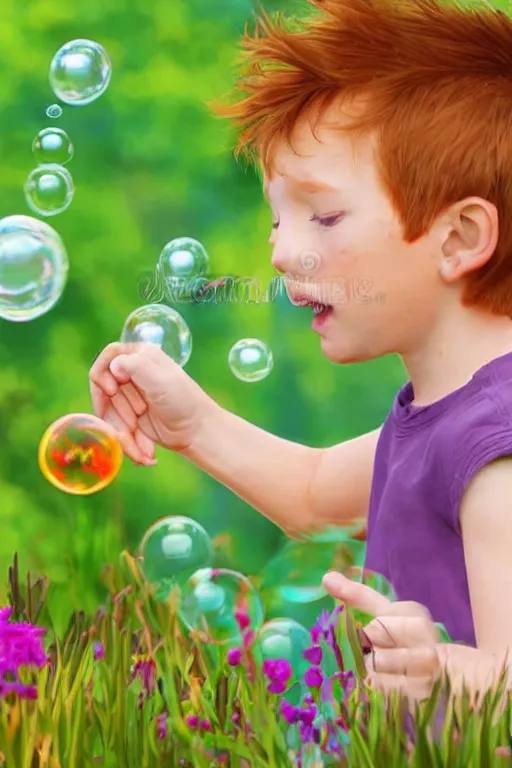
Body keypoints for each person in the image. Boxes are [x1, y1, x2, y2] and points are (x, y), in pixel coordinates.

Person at [90, 0, 512, 701]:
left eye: (324, 216)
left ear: (461, 237)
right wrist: (192, 424)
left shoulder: (493, 449)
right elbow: (317, 498)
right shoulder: (442, 417)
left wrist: (441, 672)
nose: (283, 252)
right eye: (277, 220)